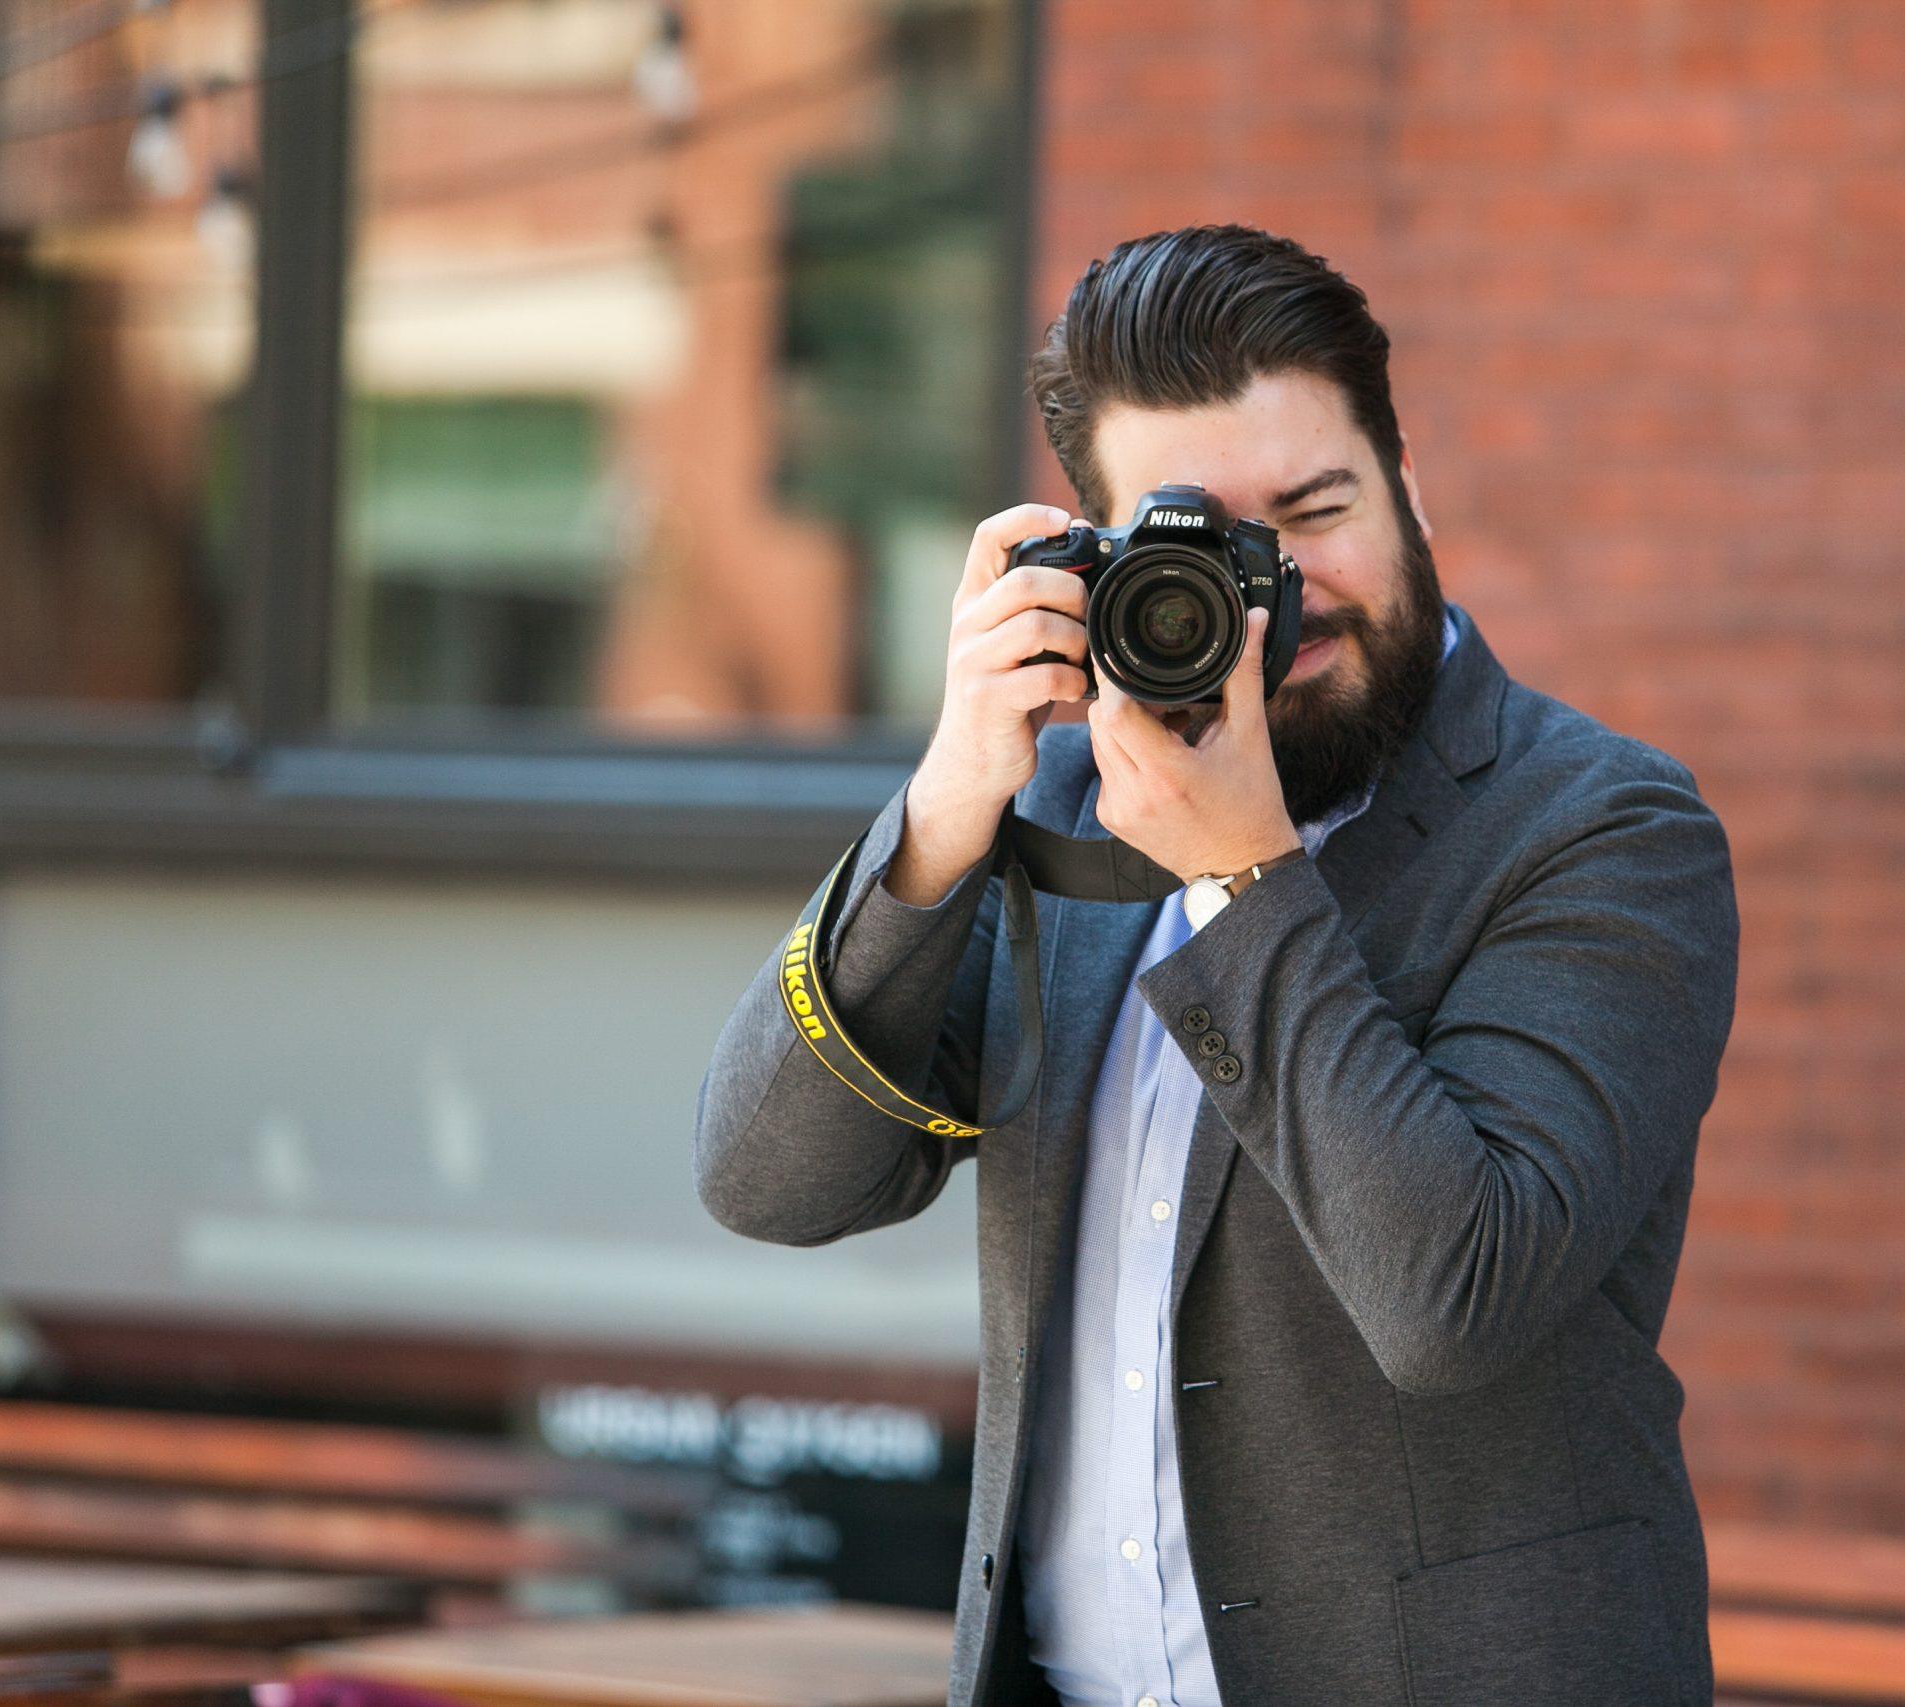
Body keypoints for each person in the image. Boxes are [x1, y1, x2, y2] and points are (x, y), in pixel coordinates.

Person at [695, 224, 1740, 1707]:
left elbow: (1453, 1294)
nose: (1279, 600)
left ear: (1412, 488)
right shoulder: (1059, 811)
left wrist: (1243, 874)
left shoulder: (1599, 829)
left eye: (1314, 512)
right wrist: (942, 811)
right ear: (1102, 563)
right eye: (1206, 544)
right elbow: (764, 1178)